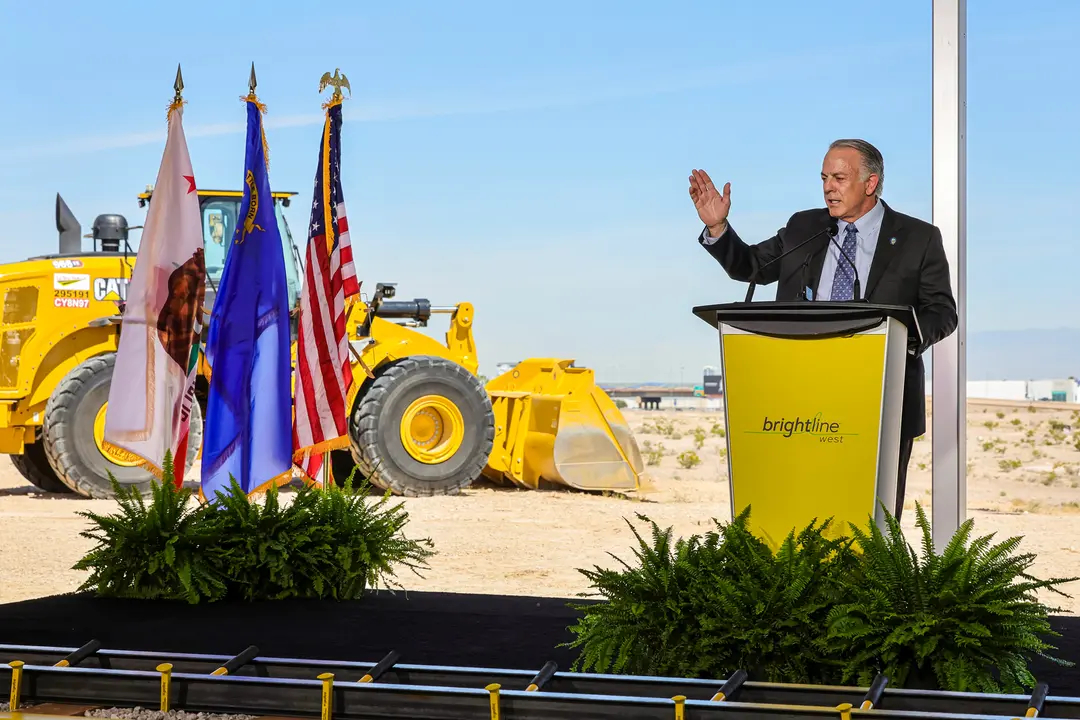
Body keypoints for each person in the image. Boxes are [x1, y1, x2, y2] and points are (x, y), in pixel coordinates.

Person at [688, 138, 957, 520]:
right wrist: (718, 226)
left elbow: (942, 312)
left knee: (871, 517)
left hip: (880, 394)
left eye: (839, 177)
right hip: (796, 395)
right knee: (795, 507)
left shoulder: (918, 238)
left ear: (870, 182)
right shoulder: (805, 227)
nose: (829, 186)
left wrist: (899, 342)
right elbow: (751, 267)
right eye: (824, 177)